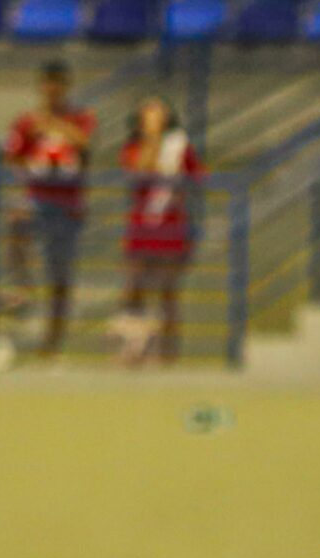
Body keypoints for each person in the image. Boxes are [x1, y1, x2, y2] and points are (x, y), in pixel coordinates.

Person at [4, 61, 96, 358]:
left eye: (58, 83)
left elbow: (85, 143)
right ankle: (22, 288)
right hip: (37, 197)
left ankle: (53, 340)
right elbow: (13, 155)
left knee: (60, 275)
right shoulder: (26, 122)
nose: (52, 89)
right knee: (15, 227)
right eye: (48, 83)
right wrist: (26, 175)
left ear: (66, 87)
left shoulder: (81, 118)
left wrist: (54, 125)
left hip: (68, 204)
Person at [117, 97, 204, 368]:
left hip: (171, 226)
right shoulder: (132, 147)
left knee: (168, 293)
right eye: (148, 112)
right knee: (134, 289)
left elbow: (197, 177)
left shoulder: (179, 146)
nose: (154, 115)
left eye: (159, 111)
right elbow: (140, 171)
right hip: (142, 227)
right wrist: (152, 140)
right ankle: (133, 349)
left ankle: (168, 355)